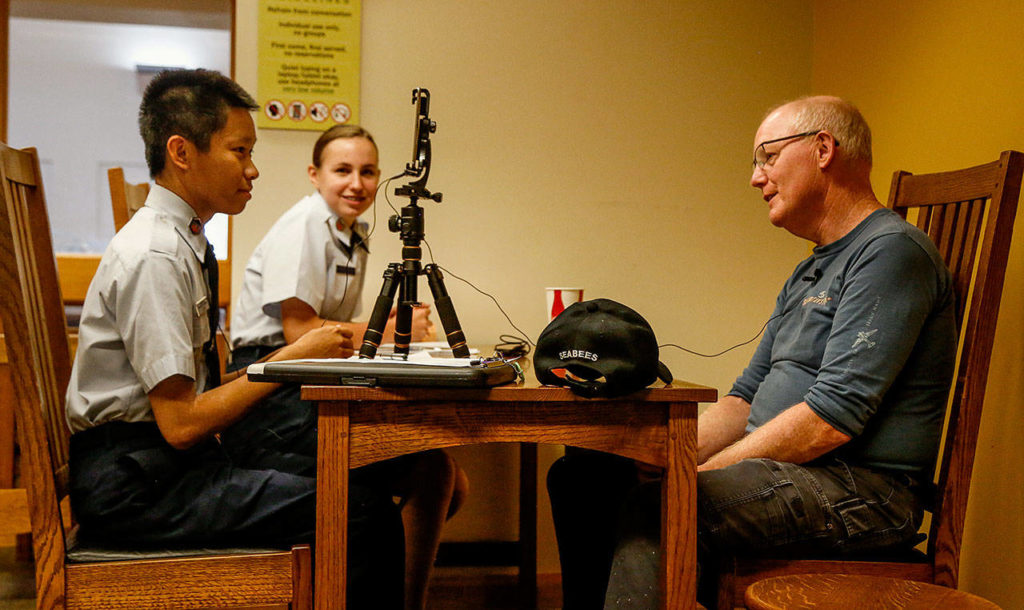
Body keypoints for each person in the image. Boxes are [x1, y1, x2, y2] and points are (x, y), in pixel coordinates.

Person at [546, 96, 957, 609]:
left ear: (823, 148)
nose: (756, 178)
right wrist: (667, 457)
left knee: (663, 507)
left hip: (863, 491)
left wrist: (695, 477)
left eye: (767, 156)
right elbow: (744, 400)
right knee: (585, 476)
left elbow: (832, 420)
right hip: (793, 473)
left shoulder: (891, 252)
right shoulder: (811, 270)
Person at [65, 69, 404, 608]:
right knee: (360, 511)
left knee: (351, 480)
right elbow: (181, 425)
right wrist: (290, 358)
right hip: (138, 484)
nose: (252, 169)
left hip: (160, 467)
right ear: (182, 151)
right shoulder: (154, 255)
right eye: (239, 150)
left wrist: (282, 364)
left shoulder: (185, 241)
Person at [229, 123, 466, 610]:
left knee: (440, 473)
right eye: (342, 171)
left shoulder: (349, 234)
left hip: (308, 380)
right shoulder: (304, 227)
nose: (356, 184)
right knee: (433, 472)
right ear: (314, 175)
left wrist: (391, 326)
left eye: (367, 172)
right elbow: (300, 333)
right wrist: (395, 328)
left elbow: (334, 329)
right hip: (267, 388)